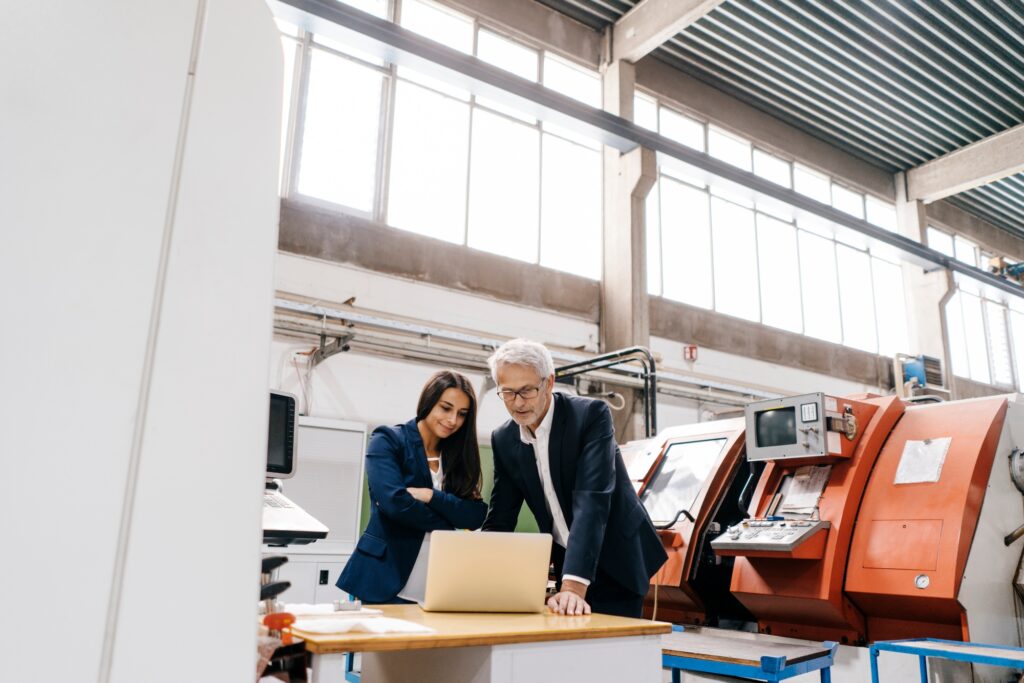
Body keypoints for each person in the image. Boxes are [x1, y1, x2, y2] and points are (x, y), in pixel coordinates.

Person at [483, 339, 667, 618]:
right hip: (568, 560)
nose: (517, 403)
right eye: (507, 392)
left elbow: (591, 501)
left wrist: (573, 586)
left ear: (549, 383)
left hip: (617, 556)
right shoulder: (504, 438)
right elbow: (501, 517)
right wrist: (478, 578)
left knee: (612, 650)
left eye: (527, 390)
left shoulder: (590, 416)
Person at [337, 370, 486, 604]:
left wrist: (431, 496)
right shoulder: (387, 440)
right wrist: (451, 519)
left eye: (462, 414)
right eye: (445, 408)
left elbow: (475, 515)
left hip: (438, 588)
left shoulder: (457, 456)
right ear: (429, 401)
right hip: (384, 580)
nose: (452, 420)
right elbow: (395, 503)